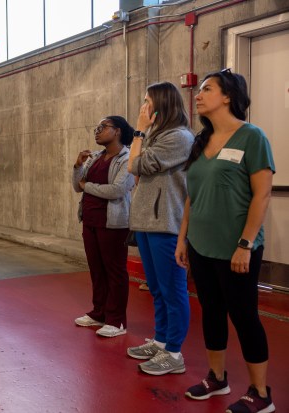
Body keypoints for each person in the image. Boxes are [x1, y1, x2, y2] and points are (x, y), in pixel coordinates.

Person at [176, 69, 275, 413]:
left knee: (244, 316)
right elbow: (193, 195)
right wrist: (183, 238)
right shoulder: (200, 142)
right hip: (201, 245)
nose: (198, 95)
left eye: (207, 89)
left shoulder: (251, 137)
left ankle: (261, 394)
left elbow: (262, 195)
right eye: (199, 89)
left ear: (228, 97)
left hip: (237, 249)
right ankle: (217, 378)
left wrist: (246, 244)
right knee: (212, 314)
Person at [126, 81, 194, 375]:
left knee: (172, 289)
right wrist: (143, 136)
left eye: (147, 101)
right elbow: (138, 171)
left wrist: (139, 132)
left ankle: (174, 353)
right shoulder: (157, 135)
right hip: (146, 220)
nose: (143, 107)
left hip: (166, 223)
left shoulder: (179, 137)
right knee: (156, 288)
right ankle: (162, 340)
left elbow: (134, 167)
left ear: (161, 104)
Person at [72, 116, 135, 338]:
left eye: (103, 127)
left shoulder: (127, 157)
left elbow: (117, 190)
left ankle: (116, 320)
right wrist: (78, 166)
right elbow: (77, 187)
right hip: (90, 220)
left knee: (115, 271)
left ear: (117, 131)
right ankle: (99, 312)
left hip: (114, 223)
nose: (97, 132)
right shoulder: (96, 157)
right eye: (96, 127)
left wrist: (86, 185)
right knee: (97, 270)